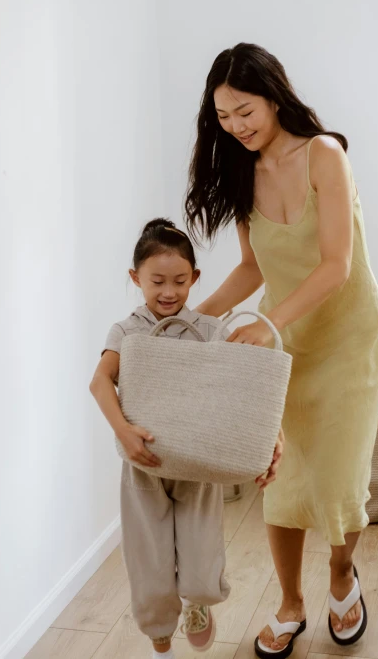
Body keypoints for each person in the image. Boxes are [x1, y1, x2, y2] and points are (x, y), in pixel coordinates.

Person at [185, 43, 378, 658]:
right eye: (222, 117)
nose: (236, 127)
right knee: (281, 480)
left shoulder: (324, 154)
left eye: (244, 111)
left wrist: (266, 325)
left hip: (351, 340)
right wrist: (193, 321)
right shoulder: (242, 172)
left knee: (338, 479)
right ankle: (290, 604)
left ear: (274, 96)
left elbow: (335, 266)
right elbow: (253, 267)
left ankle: (340, 576)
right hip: (288, 345)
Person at [91, 218, 280, 659]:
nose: (169, 292)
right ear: (136, 278)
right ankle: (159, 631)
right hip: (145, 465)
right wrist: (123, 430)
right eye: (157, 281)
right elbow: (100, 381)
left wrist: (273, 437)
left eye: (180, 281)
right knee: (149, 560)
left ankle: (198, 602)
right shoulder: (127, 331)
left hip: (196, 465)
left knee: (201, 561)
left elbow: (249, 390)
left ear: (195, 278)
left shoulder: (208, 330)